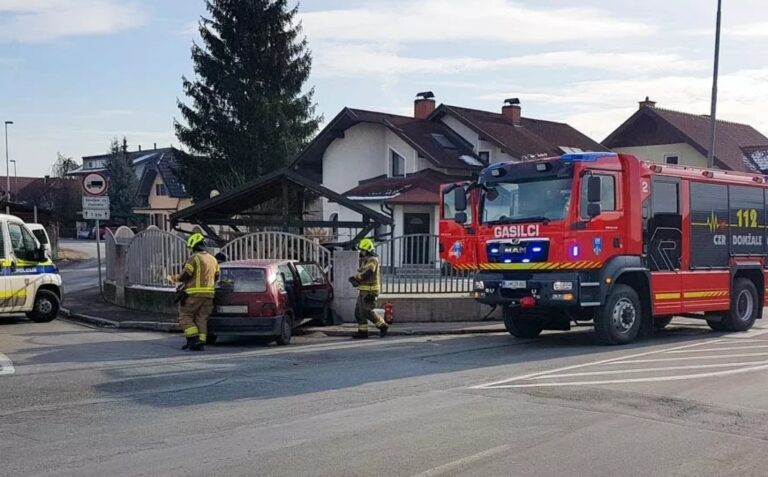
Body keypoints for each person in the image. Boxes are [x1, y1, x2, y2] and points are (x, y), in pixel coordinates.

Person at [167, 233, 220, 351]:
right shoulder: (213, 259)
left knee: (185, 316)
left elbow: (186, 274)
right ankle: (201, 342)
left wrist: (175, 278)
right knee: (202, 318)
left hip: (193, 294)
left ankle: (193, 339)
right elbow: (217, 276)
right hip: (209, 295)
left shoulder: (194, 258)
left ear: (193, 246)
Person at [348, 238, 389, 339]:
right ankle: (363, 332)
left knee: (367, 311)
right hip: (363, 290)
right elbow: (363, 273)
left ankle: (382, 326)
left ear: (368, 250)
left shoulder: (372, 260)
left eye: (362, 250)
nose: (361, 252)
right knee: (358, 312)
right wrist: (356, 281)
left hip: (370, 291)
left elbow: (368, 272)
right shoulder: (364, 260)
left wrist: (357, 278)